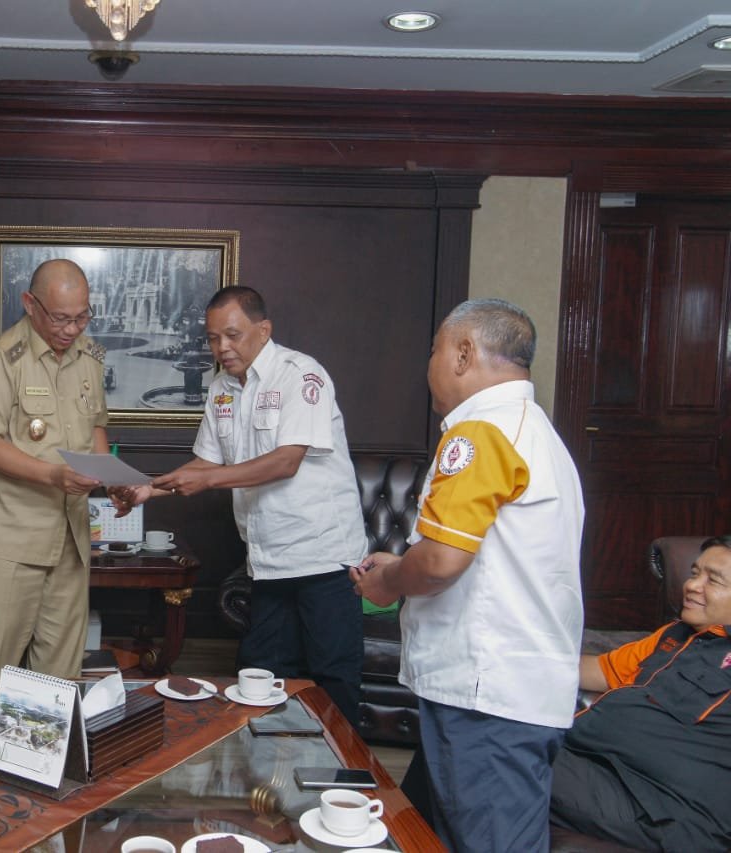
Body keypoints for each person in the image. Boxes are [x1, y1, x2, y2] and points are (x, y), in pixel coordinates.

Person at [351, 298, 584, 853]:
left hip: (488, 697)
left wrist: (387, 584)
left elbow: (440, 562)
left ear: (463, 353)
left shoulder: (481, 432)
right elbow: (482, 552)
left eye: (433, 351)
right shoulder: (530, 429)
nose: (428, 365)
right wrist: (403, 562)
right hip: (507, 687)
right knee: (417, 832)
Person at [115, 286, 367, 725]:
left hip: (323, 557)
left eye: (232, 335)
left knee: (332, 678)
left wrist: (210, 479)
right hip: (267, 560)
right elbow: (206, 463)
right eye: (213, 338)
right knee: (261, 672)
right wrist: (148, 490)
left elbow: (286, 461)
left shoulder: (301, 376)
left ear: (263, 330)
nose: (221, 348)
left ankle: (342, 765)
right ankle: (270, 763)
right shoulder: (222, 388)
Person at [0, 257, 109, 681]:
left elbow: (95, 426)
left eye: (82, 317)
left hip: (70, 535)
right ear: (29, 303)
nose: (72, 329)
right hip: (9, 535)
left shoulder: (89, 357)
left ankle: (45, 730)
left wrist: (111, 480)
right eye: (61, 318)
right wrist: (53, 475)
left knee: (61, 667)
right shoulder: (0, 359)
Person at [549, 535, 731, 852]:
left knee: (504, 754)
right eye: (694, 573)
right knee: (495, 736)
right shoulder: (676, 635)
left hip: (661, 806)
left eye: (712, 580)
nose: (692, 586)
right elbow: (594, 671)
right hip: (597, 763)